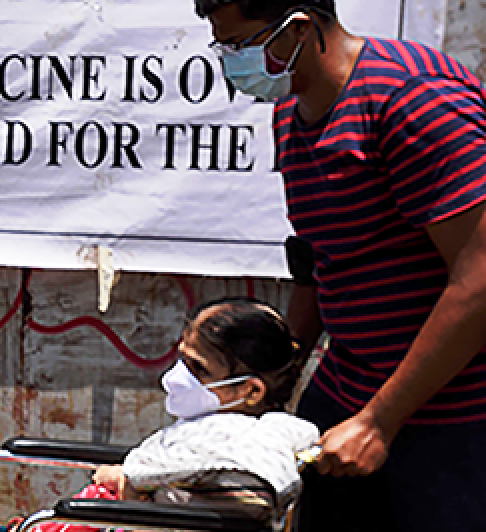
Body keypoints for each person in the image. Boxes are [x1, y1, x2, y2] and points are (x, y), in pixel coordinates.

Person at [195, 0, 486, 529]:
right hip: (347, 394)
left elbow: (480, 279)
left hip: (454, 417)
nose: (232, 62)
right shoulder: (291, 111)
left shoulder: (415, 102)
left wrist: (379, 421)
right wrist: (273, 382)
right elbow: (318, 257)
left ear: (299, 30)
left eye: (240, 45)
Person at [32, 298, 317, 531]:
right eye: (182, 360)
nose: (179, 376)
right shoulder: (235, 430)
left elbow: (244, 506)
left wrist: (126, 481)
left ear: (251, 391)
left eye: (199, 369)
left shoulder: (244, 445)